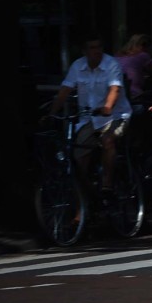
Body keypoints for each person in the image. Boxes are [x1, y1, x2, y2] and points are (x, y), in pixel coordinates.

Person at [45, 36, 133, 191]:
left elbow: (115, 88)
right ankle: (84, 194)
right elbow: (65, 91)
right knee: (78, 155)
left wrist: (107, 107)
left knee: (108, 141)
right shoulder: (77, 66)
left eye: (99, 47)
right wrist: (51, 113)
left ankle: (107, 184)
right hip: (89, 119)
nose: (97, 51)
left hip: (116, 116)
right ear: (84, 51)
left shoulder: (112, 64)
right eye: (92, 48)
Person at [114, 33, 152, 106]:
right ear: (145, 46)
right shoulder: (143, 56)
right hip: (134, 97)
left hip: (116, 96)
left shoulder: (117, 56)